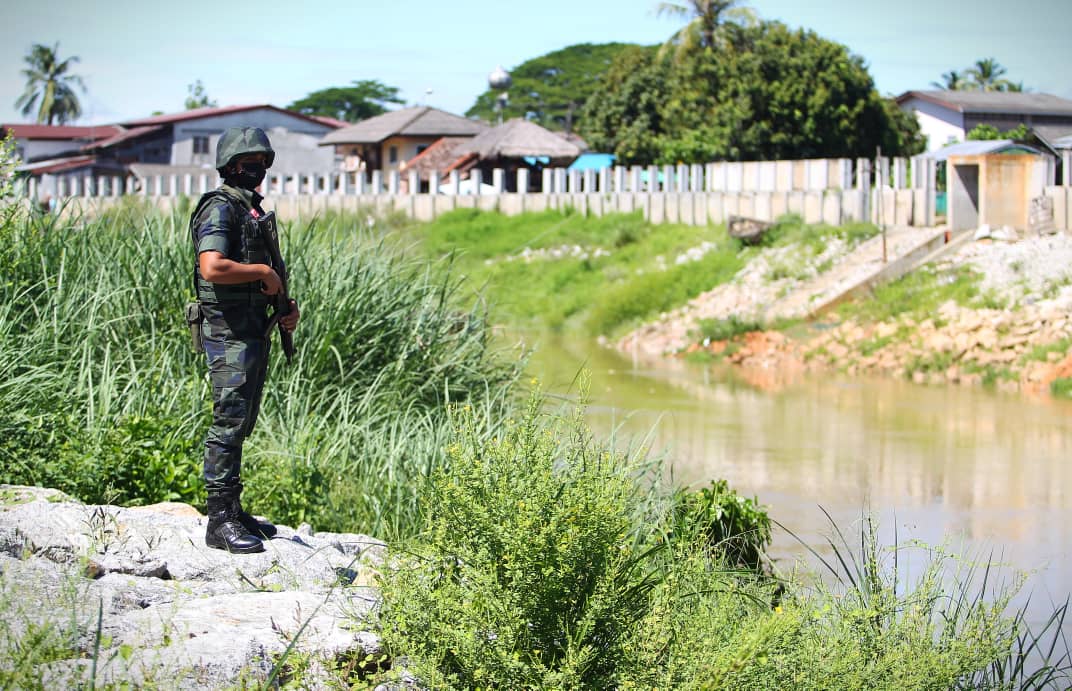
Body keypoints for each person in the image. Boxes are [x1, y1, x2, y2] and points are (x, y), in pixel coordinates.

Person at [189, 126, 299, 554]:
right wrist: (263, 275)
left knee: (242, 421)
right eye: (252, 164)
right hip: (229, 330)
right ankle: (219, 522)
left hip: (251, 328)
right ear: (233, 166)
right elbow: (213, 267)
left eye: (263, 164)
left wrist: (284, 305)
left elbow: (264, 268)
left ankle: (233, 510)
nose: (260, 171)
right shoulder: (220, 208)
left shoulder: (248, 210)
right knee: (228, 421)